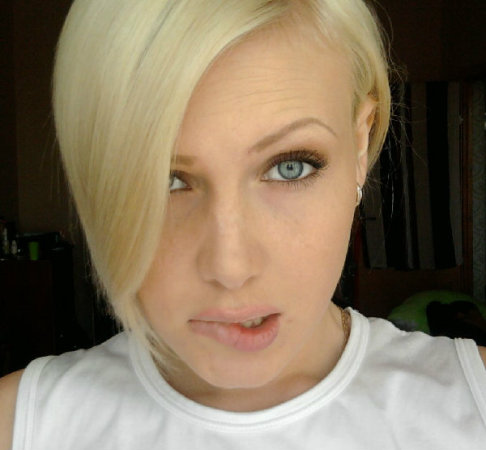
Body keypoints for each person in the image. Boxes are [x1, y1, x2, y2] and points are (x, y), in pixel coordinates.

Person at [1, 0, 485, 448]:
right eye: (164, 180)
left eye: (290, 167)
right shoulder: (19, 425)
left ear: (360, 145)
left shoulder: (473, 403)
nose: (231, 268)